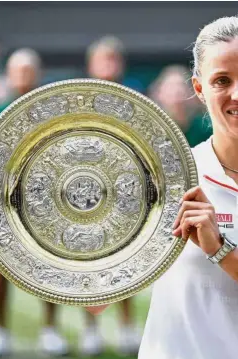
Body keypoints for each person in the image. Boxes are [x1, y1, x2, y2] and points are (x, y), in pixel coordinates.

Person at [0, 16, 238, 359]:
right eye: (221, 80)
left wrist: (221, 250)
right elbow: (97, 300)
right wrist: (3, 246)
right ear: (199, 87)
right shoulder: (160, 178)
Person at [0, 48, 69, 357]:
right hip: (3, 204)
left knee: (50, 267)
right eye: (18, 72)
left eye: (28, 71)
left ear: (38, 75)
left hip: (44, 204)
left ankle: (50, 330)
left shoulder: (52, 115)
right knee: (0, 270)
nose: (23, 78)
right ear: (8, 76)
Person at [82, 35, 143, 356]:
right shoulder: (79, 100)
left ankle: (126, 325)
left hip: (123, 192)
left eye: (113, 59)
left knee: (125, 261)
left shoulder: (134, 102)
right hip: (86, 191)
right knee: (87, 262)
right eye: (102, 59)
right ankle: (90, 329)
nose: (108, 66)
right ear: (91, 66)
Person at [148, 64, 212, 147]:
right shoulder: (152, 129)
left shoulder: (205, 127)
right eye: (171, 86)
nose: (177, 91)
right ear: (159, 93)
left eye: (181, 85)